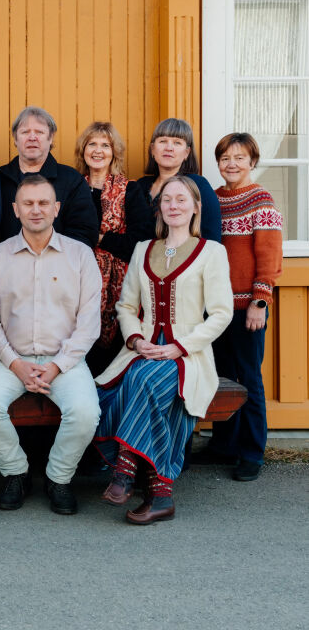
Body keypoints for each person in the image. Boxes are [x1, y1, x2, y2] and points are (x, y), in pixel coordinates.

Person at [95, 176, 232, 524]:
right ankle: (160, 494)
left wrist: (179, 347)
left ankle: (125, 469)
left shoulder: (212, 252)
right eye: (167, 200)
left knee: (145, 379)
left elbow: (221, 313)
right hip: (142, 348)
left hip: (188, 355)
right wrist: (137, 341)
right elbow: (126, 307)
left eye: (182, 200)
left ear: (196, 207)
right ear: (160, 208)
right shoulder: (143, 249)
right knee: (119, 385)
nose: (173, 205)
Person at [0, 176, 102, 515]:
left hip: (64, 361)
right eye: (28, 203)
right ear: (15, 209)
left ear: (57, 208)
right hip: (10, 359)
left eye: (44, 203)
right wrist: (15, 363)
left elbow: (89, 324)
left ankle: (58, 477)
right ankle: (16, 472)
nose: (36, 209)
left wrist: (57, 365)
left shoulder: (81, 255)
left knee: (86, 413)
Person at [194, 134, 282, 481]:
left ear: (252, 162)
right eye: (225, 158)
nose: (232, 164)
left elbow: (269, 255)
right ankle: (224, 445)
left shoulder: (261, 200)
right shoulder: (214, 200)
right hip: (217, 307)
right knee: (222, 377)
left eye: (240, 158)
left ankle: (251, 453)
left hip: (248, 305)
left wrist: (260, 301)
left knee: (249, 379)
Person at [74, 122, 153, 374]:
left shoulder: (130, 190)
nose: (98, 150)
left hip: (121, 288)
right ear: (83, 150)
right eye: (92, 144)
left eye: (105, 145)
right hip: (76, 283)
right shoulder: (72, 188)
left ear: (114, 152)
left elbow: (139, 243)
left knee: (114, 363)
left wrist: (98, 239)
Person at [0, 106, 98, 248]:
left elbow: (84, 232)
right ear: (15, 139)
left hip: (58, 266)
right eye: (25, 132)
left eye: (39, 132)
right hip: (6, 265)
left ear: (50, 138)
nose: (32, 137)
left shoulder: (72, 180)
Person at [138, 117, 221, 241]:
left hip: (184, 259)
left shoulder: (198, 185)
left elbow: (211, 238)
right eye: (162, 141)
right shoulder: (140, 186)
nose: (169, 148)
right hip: (140, 259)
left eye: (177, 143)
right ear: (152, 149)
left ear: (187, 152)